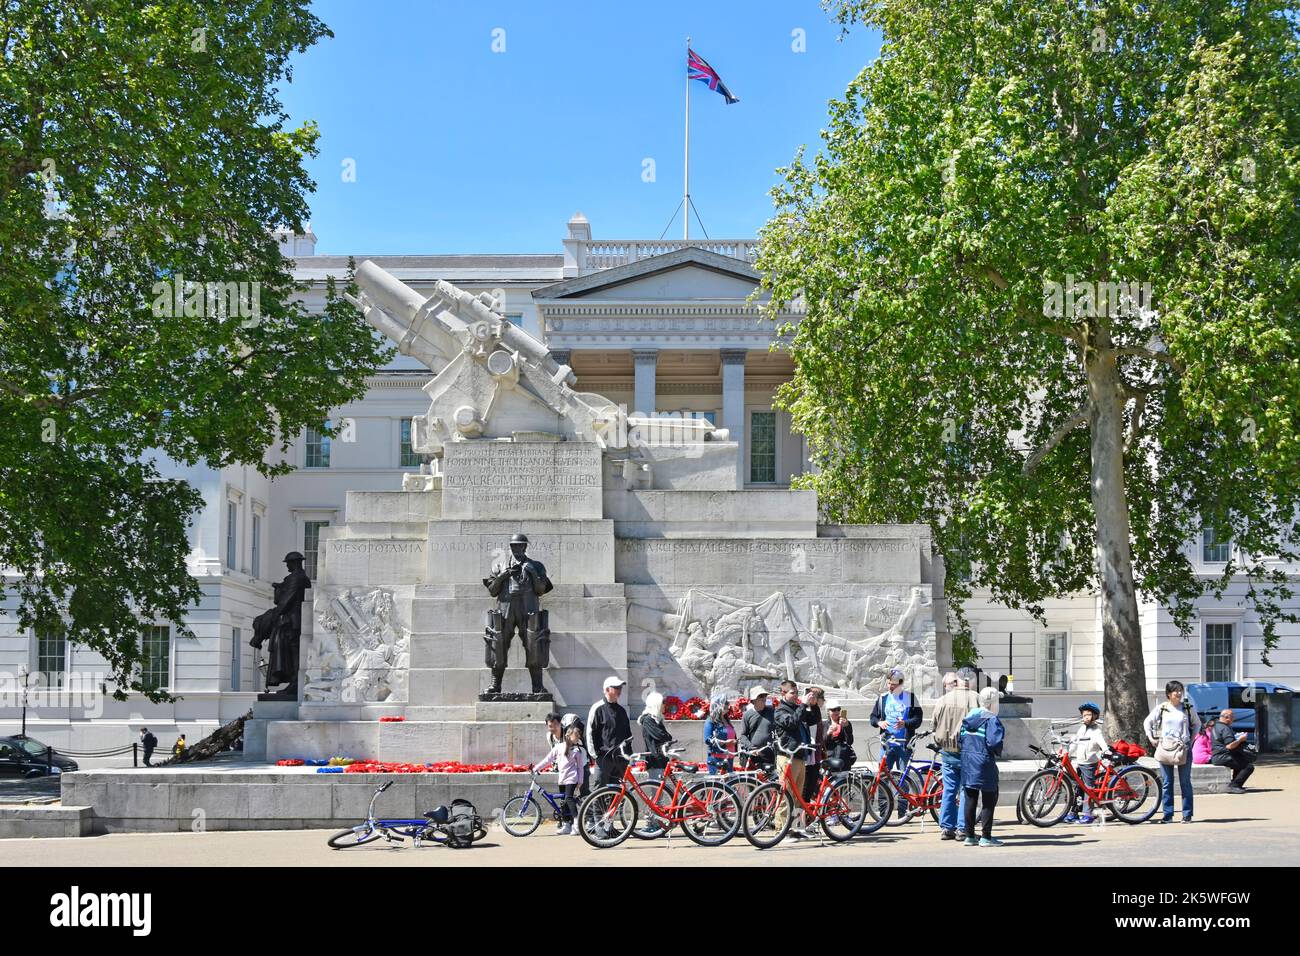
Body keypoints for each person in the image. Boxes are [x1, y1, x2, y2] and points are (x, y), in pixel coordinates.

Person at [931, 667, 980, 841]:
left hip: (947, 750)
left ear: (957, 680)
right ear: (971, 681)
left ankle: (946, 828)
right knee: (966, 790)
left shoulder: (943, 699)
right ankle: (962, 828)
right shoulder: (976, 699)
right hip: (968, 751)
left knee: (949, 790)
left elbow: (934, 723)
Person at [1144, 680, 1201, 824]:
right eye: (1176, 691)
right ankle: (1167, 815)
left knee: (1185, 782)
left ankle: (1187, 814)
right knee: (1167, 783)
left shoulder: (1187, 707)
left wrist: (1191, 740)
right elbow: (1148, 722)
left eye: (1180, 690)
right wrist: (1151, 738)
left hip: (1184, 748)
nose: (1179, 693)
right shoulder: (1162, 708)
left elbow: (1197, 724)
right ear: (1169, 694)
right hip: (1165, 748)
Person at [958, 687, 1005, 847]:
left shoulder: (969, 717)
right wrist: (997, 751)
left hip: (967, 761)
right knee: (989, 799)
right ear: (993, 703)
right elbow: (994, 742)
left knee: (970, 799)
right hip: (984, 763)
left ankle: (969, 836)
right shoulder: (991, 720)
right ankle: (986, 837)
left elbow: (960, 739)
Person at [771, 679, 819, 836]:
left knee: (798, 795)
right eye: (793, 693)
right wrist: (803, 706)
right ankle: (782, 830)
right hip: (787, 756)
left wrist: (813, 704)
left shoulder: (797, 708)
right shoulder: (780, 710)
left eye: (797, 693)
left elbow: (813, 720)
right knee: (786, 795)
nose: (796, 695)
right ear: (783, 693)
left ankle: (796, 828)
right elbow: (792, 723)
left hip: (799, 756)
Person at [533, 723, 587, 835]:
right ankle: (567, 824)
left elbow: (580, 767)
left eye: (578, 736)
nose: (578, 738)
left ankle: (577, 824)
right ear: (568, 735)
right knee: (563, 802)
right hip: (562, 778)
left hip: (572, 779)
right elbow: (547, 759)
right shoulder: (558, 747)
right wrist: (536, 768)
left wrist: (580, 781)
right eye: (576, 736)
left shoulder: (576, 751)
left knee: (569, 798)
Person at [870, 667, 923, 773]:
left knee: (903, 780)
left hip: (904, 745)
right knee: (882, 778)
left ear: (901, 683)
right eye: (889, 683)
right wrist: (879, 722)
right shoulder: (883, 698)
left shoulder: (910, 698)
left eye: (893, 684)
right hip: (887, 745)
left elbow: (918, 719)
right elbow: (873, 717)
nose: (890, 687)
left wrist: (905, 723)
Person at [1065, 702, 1107, 824]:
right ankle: (1074, 812)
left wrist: (1106, 750)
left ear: (1095, 716)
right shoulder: (1081, 729)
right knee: (1078, 789)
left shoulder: (1096, 731)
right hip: (1079, 763)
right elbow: (1074, 743)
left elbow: (1101, 742)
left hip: (1089, 763)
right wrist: (1068, 753)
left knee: (1089, 789)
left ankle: (1088, 814)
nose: (1086, 717)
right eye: (1084, 715)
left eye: (1089, 715)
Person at [586, 676, 633, 787]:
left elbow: (627, 734)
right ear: (607, 689)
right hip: (604, 757)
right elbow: (590, 732)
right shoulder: (597, 708)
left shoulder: (622, 710)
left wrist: (629, 754)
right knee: (599, 789)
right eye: (616, 687)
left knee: (618, 792)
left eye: (620, 687)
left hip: (620, 758)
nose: (619, 690)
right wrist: (595, 754)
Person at [1210, 708, 1256, 793]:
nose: (1233, 719)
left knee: (1240, 760)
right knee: (1248, 766)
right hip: (1222, 756)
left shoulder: (1216, 726)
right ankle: (1234, 785)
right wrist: (1240, 739)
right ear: (1227, 717)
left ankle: (1236, 784)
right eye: (1232, 717)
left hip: (1217, 756)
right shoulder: (1225, 728)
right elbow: (1230, 746)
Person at [638, 692, 676, 781]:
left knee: (661, 791)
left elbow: (666, 737)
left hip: (661, 760)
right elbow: (662, 736)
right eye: (663, 702)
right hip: (655, 761)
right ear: (656, 704)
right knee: (657, 791)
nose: (664, 705)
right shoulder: (648, 720)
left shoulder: (656, 720)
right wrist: (667, 737)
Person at [801, 686, 827, 808]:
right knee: (805, 787)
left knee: (810, 786)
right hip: (808, 754)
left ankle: (807, 814)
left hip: (815, 754)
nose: (823, 701)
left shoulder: (815, 710)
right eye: (822, 698)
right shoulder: (805, 710)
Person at [739, 686, 775, 770]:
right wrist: (751, 748)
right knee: (754, 781)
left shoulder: (772, 712)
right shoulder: (747, 715)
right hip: (754, 755)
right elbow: (743, 735)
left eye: (764, 696)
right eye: (760, 696)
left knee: (770, 781)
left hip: (769, 753)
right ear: (754, 700)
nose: (764, 698)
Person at [703, 699, 736, 774]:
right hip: (717, 757)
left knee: (728, 783)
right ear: (717, 705)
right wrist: (725, 743)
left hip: (729, 757)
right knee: (716, 784)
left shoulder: (726, 720)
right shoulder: (710, 721)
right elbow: (708, 739)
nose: (728, 705)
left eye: (727, 703)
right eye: (725, 703)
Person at [823, 701, 855, 768]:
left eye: (838, 709)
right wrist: (828, 733)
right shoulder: (824, 724)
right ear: (828, 712)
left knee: (843, 778)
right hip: (829, 759)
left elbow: (850, 741)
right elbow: (822, 743)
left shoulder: (846, 723)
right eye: (834, 710)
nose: (837, 712)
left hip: (843, 759)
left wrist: (846, 727)